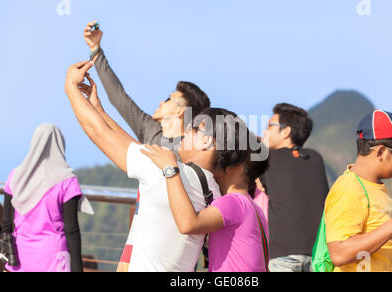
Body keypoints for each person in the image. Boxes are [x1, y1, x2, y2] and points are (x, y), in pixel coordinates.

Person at [64, 60, 265, 271]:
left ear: (207, 141)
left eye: (194, 128)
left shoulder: (166, 171)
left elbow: (98, 133)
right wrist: (100, 110)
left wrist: (70, 86)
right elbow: (132, 145)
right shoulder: (214, 192)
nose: (186, 131)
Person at [141, 118, 270, 272]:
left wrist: (170, 169)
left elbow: (188, 223)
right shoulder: (254, 208)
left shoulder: (233, 202)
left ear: (237, 166)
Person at [325, 109, 392, 272]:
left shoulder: (374, 186)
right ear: (381, 152)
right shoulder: (349, 188)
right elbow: (339, 253)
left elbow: (373, 240)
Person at [83, 20, 210, 149]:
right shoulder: (150, 129)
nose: (161, 102)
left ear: (180, 111)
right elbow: (119, 98)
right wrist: (95, 49)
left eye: (168, 99)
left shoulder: (191, 149)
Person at [1, 123, 89, 272]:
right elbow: (71, 229)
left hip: (21, 257)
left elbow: (6, 222)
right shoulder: (67, 180)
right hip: (54, 259)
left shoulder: (15, 176)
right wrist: (77, 268)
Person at [259, 103, 329, 272]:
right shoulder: (315, 158)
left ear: (286, 131)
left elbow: (258, 185)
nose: (265, 132)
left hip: (284, 254)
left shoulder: (267, 158)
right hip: (319, 254)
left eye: (270, 126)